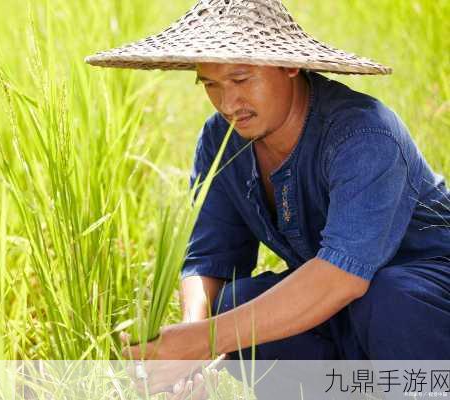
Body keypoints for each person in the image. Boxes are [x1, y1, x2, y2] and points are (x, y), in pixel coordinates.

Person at [87, 0, 450, 397]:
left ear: (290, 65)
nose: (227, 104)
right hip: (346, 313)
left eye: (241, 79)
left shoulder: (364, 135)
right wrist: (192, 341)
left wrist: (202, 341)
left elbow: (339, 279)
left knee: (388, 296)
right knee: (231, 304)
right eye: (211, 84)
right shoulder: (220, 141)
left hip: (420, 309)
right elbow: (209, 260)